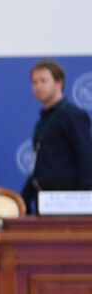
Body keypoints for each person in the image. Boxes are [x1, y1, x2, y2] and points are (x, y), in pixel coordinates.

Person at [22, 58, 92, 213]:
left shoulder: (73, 115)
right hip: (44, 200)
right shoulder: (43, 119)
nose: (38, 86)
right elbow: (37, 164)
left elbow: (86, 158)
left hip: (68, 203)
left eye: (43, 81)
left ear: (59, 83)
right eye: (34, 82)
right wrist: (24, 199)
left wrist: (83, 203)